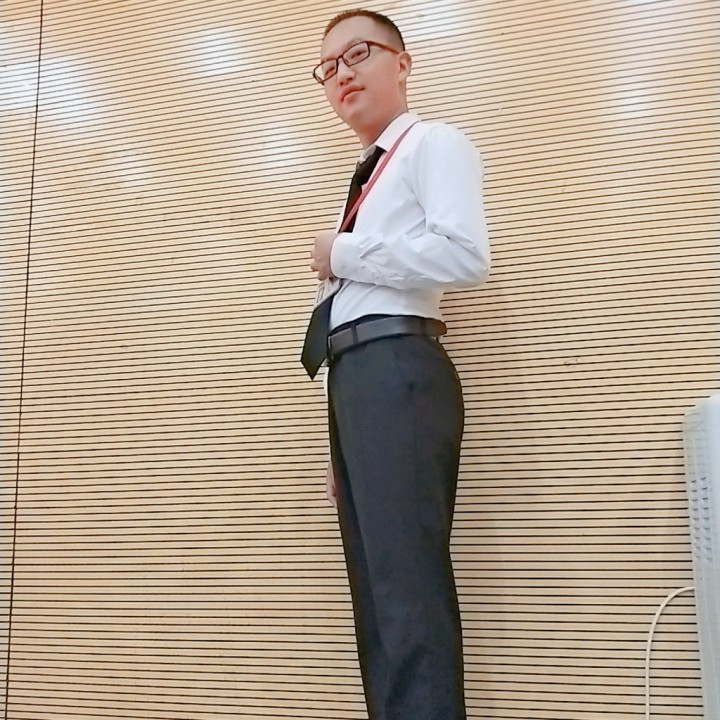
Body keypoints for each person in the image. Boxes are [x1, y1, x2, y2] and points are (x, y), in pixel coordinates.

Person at [302, 9, 490, 720]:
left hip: (398, 368)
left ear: (402, 63)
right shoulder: (361, 179)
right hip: (361, 383)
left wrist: (343, 252)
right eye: (329, 68)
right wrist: (340, 435)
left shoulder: (432, 143)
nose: (342, 75)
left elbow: (466, 255)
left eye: (358, 54)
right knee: (378, 600)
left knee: (406, 593)